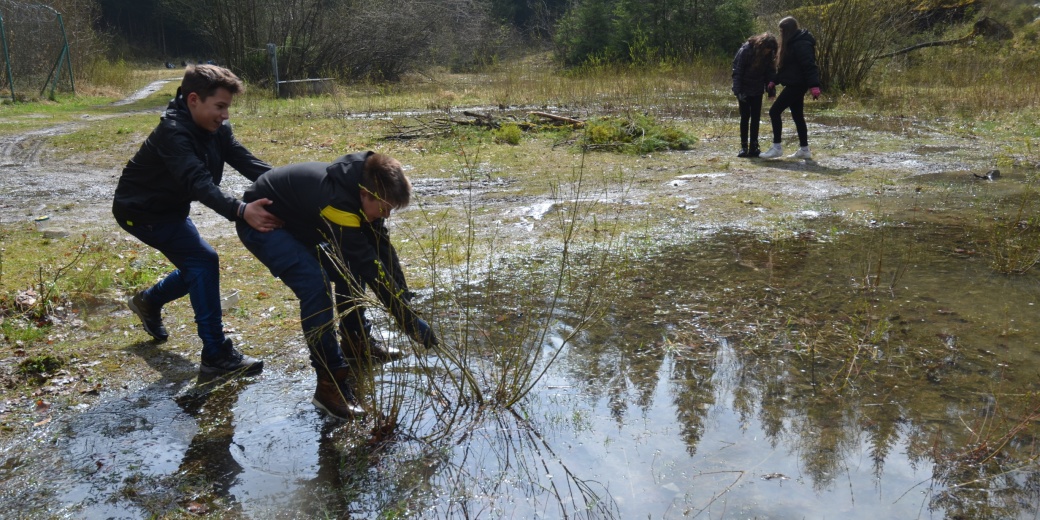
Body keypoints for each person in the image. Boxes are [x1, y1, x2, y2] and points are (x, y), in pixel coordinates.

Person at [236, 151, 439, 419]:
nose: (386, 215)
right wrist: (405, 319)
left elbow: (381, 248)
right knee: (315, 285)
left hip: (300, 223)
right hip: (263, 224)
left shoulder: (362, 190)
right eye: (385, 208)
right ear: (366, 195)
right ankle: (330, 384)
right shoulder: (339, 203)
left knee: (351, 269)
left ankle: (356, 342)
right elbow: (368, 263)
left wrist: (404, 299)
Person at [113, 64, 283, 376]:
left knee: (197, 265)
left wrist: (290, 184)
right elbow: (199, 183)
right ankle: (216, 354)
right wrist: (242, 210)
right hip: (141, 212)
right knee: (203, 262)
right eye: (220, 106)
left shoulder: (215, 130)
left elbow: (247, 161)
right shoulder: (173, 134)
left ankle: (149, 302)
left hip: (169, 210)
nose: (225, 115)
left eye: (227, 107)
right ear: (194, 99)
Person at [759, 16, 822, 160]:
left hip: (797, 85)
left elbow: (809, 65)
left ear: (788, 30)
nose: (780, 33)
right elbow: (787, 69)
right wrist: (774, 81)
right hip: (794, 83)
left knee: (774, 112)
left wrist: (814, 85)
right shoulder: (793, 42)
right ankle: (804, 150)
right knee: (798, 116)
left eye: (782, 30)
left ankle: (776, 148)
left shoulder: (801, 44)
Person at [731, 33, 778, 158]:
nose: (768, 51)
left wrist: (771, 91)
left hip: (757, 89)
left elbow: (770, 73)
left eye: (770, 50)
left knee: (756, 118)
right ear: (761, 45)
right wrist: (738, 91)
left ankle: (754, 147)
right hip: (744, 89)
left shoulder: (769, 55)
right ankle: (744, 147)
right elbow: (737, 71)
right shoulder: (746, 50)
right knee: (745, 117)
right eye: (767, 49)